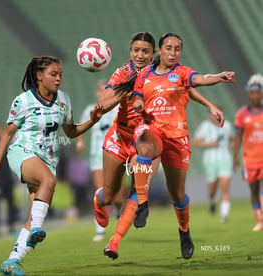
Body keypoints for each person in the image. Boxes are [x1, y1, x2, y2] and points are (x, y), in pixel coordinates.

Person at [118, 33, 235, 259]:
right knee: (144, 146)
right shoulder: (143, 75)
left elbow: (201, 79)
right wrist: (140, 104)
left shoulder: (182, 73)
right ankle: (142, 202)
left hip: (177, 138)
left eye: (177, 49)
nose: (173, 52)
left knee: (178, 194)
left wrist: (219, 77)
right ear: (159, 51)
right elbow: (138, 98)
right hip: (152, 129)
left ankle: (184, 231)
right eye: (168, 48)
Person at [0, 55, 103, 276]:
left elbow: (70, 131)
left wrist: (92, 121)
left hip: (48, 160)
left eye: (60, 75)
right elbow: (8, 133)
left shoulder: (64, 99)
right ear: (39, 76)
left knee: (33, 218)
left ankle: (11, 263)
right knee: (48, 182)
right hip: (22, 152)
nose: (58, 78)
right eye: (53, 74)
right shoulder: (23, 100)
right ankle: (37, 229)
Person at [92, 32, 161, 259]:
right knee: (111, 195)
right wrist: (126, 90)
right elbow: (103, 103)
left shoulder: (162, 76)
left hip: (145, 141)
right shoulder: (122, 73)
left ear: (154, 53)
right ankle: (99, 200)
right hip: (119, 138)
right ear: (130, 51)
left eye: (145, 51)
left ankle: (114, 243)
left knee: (137, 191)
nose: (140, 55)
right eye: (136, 50)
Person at [76, 79, 120, 242]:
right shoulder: (90, 109)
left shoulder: (116, 108)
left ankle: (118, 209)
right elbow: (81, 126)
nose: (103, 93)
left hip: (115, 154)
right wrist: (80, 142)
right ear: (96, 93)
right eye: (101, 90)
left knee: (115, 195)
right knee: (100, 190)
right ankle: (100, 229)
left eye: (106, 90)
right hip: (97, 155)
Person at [193, 107, 234, 222]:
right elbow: (196, 141)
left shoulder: (227, 125)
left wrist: (232, 144)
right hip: (210, 160)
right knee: (212, 189)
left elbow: (232, 139)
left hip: (225, 159)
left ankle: (224, 215)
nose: (213, 116)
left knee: (225, 187)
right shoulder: (205, 126)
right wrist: (209, 144)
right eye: (211, 114)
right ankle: (212, 202)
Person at [233, 74, 263, 232]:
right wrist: (235, 159)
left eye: (258, 92)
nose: (256, 96)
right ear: (248, 94)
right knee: (253, 190)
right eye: (253, 93)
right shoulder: (242, 114)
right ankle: (259, 220)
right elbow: (238, 137)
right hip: (249, 159)